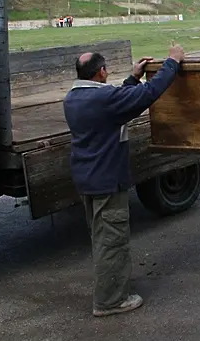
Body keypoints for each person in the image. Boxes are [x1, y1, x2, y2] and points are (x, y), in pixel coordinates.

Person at [63, 43, 185, 317]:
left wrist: (133, 77)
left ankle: (111, 286)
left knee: (102, 237)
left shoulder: (73, 97)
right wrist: (172, 62)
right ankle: (110, 301)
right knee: (113, 240)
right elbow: (148, 95)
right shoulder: (104, 100)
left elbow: (119, 99)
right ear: (102, 72)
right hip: (107, 180)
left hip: (88, 179)